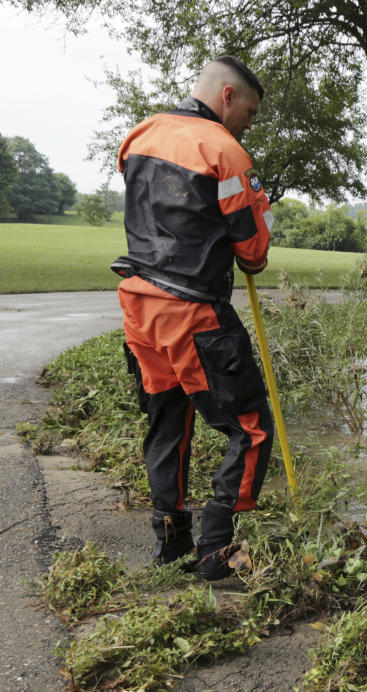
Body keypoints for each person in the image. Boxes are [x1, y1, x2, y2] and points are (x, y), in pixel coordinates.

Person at [112, 56, 275, 581]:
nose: (248, 124)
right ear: (228, 97)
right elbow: (253, 252)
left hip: (137, 304)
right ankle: (215, 551)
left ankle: (170, 541)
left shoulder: (139, 136)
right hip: (192, 311)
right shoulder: (225, 151)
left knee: (168, 421)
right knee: (250, 429)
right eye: (248, 111)